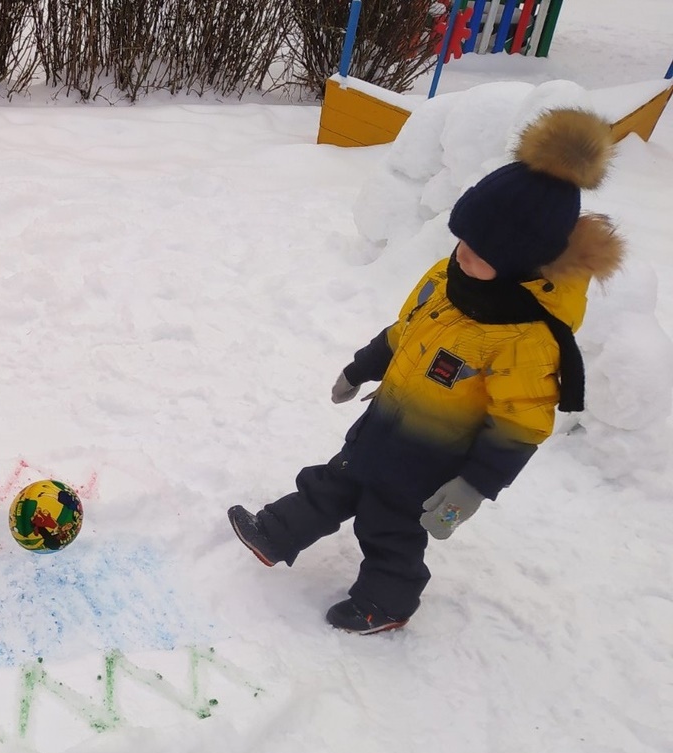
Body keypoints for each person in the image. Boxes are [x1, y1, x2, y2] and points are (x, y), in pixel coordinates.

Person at [228, 107, 625, 635]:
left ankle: (386, 603)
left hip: (431, 459)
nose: (462, 255)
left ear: (522, 261)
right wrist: (362, 366)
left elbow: (522, 420)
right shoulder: (448, 278)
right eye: (462, 240)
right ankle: (276, 533)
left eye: (481, 252)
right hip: (385, 424)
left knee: (387, 526)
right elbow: (407, 331)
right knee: (335, 480)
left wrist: (473, 487)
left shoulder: (527, 337)